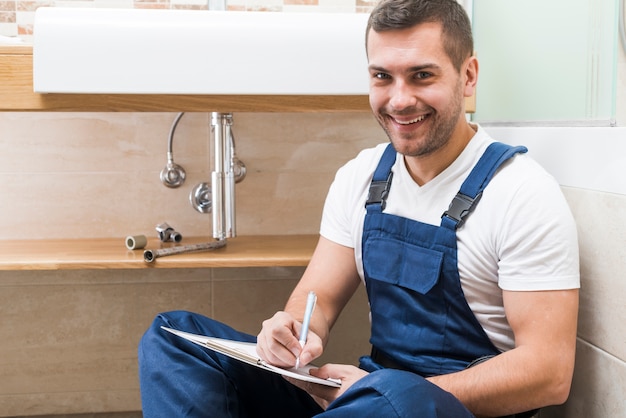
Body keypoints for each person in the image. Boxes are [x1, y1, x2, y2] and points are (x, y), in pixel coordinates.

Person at [138, 0, 580, 416]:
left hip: (438, 407)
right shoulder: (363, 176)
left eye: (421, 75)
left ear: (468, 76)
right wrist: (293, 330)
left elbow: (549, 374)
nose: (400, 99)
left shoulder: (522, 193)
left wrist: (381, 390)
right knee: (173, 336)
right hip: (368, 399)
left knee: (399, 394)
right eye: (382, 77)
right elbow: (319, 299)